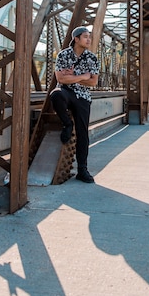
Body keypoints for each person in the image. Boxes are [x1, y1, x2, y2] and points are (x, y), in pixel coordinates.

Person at [50, 26, 99, 183]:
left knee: (83, 133)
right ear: (76, 39)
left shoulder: (92, 58)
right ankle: (67, 123)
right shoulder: (63, 55)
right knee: (55, 95)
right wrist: (83, 75)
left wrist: (73, 76)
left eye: (89, 37)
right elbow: (61, 79)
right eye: (85, 37)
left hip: (83, 96)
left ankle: (82, 170)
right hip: (66, 92)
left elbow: (93, 82)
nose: (89, 39)